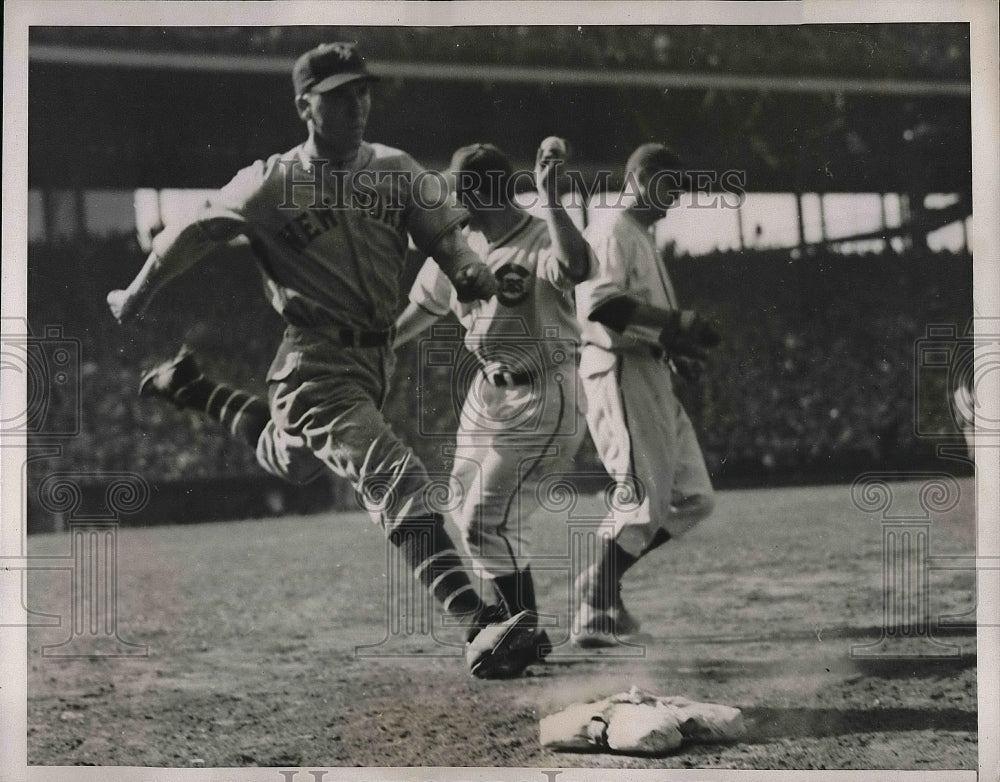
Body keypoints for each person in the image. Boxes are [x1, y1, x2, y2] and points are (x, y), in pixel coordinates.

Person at [106, 42, 540, 679]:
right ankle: (478, 623)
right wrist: (136, 294)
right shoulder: (271, 182)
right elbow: (191, 233)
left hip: (374, 361)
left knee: (293, 461)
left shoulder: (396, 168)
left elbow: (447, 241)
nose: (356, 105)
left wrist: (468, 269)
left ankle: (194, 389)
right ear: (303, 106)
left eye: (362, 92)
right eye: (338, 96)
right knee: (395, 473)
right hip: (314, 361)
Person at [394, 140, 593, 659]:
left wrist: (553, 201)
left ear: (484, 194)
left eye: (460, 192)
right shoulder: (460, 245)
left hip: (543, 389)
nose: (452, 203)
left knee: (486, 520)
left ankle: (522, 631)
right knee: (465, 509)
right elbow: (426, 306)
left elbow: (577, 267)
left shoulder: (540, 236)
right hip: (487, 392)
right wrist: (381, 344)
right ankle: (523, 631)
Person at [571, 142, 722, 647]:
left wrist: (675, 347)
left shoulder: (640, 236)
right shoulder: (612, 230)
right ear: (640, 178)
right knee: (641, 500)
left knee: (693, 497)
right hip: (618, 371)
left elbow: (638, 319)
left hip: (648, 369)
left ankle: (602, 583)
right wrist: (679, 323)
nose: (676, 197)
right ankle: (596, 606)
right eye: (669, 185)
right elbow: (602, 307)